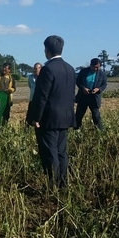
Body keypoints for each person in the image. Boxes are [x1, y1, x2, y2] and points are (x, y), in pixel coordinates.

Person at [32, 36, 76, 188]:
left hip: (49, 118)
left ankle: (53, 185)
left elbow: (41, 96)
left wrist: (36, 117)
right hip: (65, 117)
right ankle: (63, 183)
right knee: (61, 152)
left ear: (47, 50)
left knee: (50, 153)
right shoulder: (70, 69)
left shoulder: (48, 69)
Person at [75, 58, 108, 130]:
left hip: (94, 97)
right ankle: (76, 129)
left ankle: (99, 130)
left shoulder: (102, 74)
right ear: (90, 65)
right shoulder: (83, 71)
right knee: (79, 115)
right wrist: (83, 88)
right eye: (94, 67)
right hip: (83, 96)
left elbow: (104, 84)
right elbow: (78, 82)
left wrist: (98, 89)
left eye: (98, 67)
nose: (96, 69)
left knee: (96, 116)